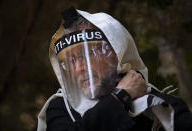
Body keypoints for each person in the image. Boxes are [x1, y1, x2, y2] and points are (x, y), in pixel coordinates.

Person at [37, 7, 192, 131]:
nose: (78, 68)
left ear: (117, 54)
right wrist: (120, 97)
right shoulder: (60, 108)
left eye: (89, 54)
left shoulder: (163, 108)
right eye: (71, 60)